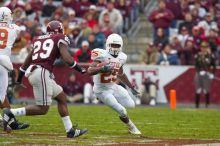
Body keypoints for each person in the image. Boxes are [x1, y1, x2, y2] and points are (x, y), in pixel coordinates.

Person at [2, 20, 88, 138]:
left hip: (37, 72)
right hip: (42, 72)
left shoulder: (38, 39)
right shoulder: (60, 37)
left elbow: (28, 60)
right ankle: (11, 112)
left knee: (61, 97)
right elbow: (67, 59)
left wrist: (20, 78)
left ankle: (70, 131)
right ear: (60, 30)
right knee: (42, 109)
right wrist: (80, 69)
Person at [87, 33, 141, 135]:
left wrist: (131, 87)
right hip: (101, 90)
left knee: (131, 105)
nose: (115, 48)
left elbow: (121, 74)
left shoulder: (122, 57)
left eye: (117, 45)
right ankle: (131, 127)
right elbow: (89, 70)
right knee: (122, 111)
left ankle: (111, 102)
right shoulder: (101, 54)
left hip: (113, 86)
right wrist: (102, 68)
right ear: (108, 45)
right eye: (113, 45)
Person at [0, 7, 29, 131]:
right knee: (1, 95)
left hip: (3, 62)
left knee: (2, 95)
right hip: (3, 62)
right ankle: (10, 121)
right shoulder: (14, 28)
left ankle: (11, 121)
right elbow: (19, 37)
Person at [194, 41, 216, 108]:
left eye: (205, 47)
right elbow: (196, 65)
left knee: (206, 90)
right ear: (200, 48)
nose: (203, 48)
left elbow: (214, 65)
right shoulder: (198, 55)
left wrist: (212, 73)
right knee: (198, 90)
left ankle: (207, 105)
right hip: (199, 73)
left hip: (207, 74)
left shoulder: (210, 56)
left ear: (207, 48)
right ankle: (197, 105)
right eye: (202, 47)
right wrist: (199, 71)